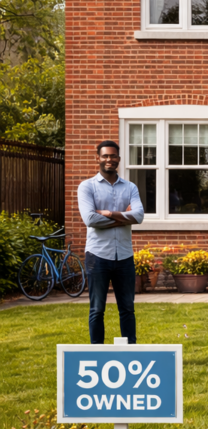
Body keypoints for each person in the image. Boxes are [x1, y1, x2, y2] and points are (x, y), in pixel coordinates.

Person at [77, 141, 144, 344]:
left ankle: (130, 352)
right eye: (105, 156)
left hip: (124, 255)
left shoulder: (130, 187)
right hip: (97, 256)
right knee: (97, 309)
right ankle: (97, 352)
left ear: (119, 159)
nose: (109, 159)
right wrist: (123, 218)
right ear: (98, 158)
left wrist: (107, 213)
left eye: (113, 156)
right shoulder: (87, 187)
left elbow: (139, 216)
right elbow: (90, 219)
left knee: (128, 309)